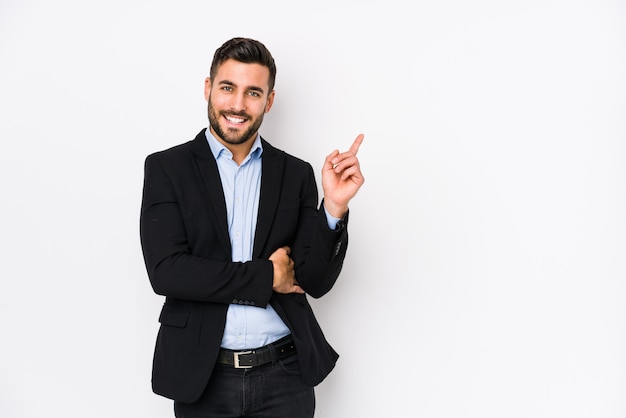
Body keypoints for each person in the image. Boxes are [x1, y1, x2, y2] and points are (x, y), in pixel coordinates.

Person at [139, 36, 364, 418]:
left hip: (285, 376)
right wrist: (266, 276)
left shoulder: (295, 174)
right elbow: (168, 273)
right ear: (209, 88)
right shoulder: (167, 169)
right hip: (203, 376)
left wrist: (334, 207)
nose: (238, 105)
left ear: (269, 101)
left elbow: (315, 281)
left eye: (253, 93)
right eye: (228, 88)